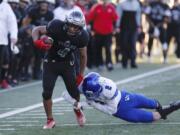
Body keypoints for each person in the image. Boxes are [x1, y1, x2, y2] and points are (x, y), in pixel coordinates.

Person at [32, 11, 89, 129]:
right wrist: (37, 41)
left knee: (74, 91)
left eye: (77, 27)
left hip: (68, 64)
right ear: (66, 22)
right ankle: (50, 120)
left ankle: (77, 110)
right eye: (71, 25)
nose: (73, 29)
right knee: (47, 92)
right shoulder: (56, 25)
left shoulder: (83, 36)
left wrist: (81, 75)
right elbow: (36, 30)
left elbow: (83, 55)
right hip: (50, 62)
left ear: (81, 27)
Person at [63, 72, 180, 123]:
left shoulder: (109, 91)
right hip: (124, 98)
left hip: (121, 107)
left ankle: (168, 109)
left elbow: (111, 110)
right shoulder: (86, 82)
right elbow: (65, 94)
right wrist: (75, 102)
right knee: (154, 116)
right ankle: (174, 107)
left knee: (155, 105)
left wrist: (92, 103)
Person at [0, 0, 18, 89]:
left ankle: (2, 80)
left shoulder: (6, 6)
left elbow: (12, 21)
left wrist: (13, 36)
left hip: (2, 40)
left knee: (5, 62)